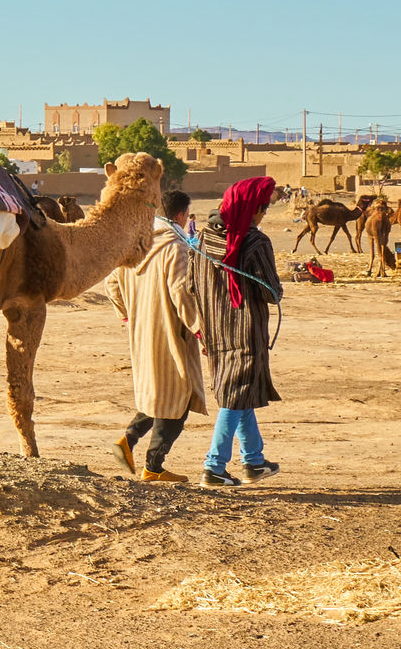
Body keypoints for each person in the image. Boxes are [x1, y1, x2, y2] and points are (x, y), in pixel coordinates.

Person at [106, 189, 207, 483]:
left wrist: (128, 315)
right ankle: (153, 466)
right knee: (178, 400)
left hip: (141, 332)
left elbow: (111, 283)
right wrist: (199, 328)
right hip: (170, 334)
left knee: (158, 395)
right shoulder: (176, 247)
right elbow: (181, 293)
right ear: (181, 215)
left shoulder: (133, 244)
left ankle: (128, 440)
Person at [195, 176, 284, 486]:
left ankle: (254, 462)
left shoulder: (204, 237)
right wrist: (277, 290)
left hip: (214, 330)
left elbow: (194, 285)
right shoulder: (256, 242)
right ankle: (214, 466)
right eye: (264, 208)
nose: (264, 214)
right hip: (245, 331)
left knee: (239, 392)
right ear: (253, 208)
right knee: (234, 398)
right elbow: (270, 292)